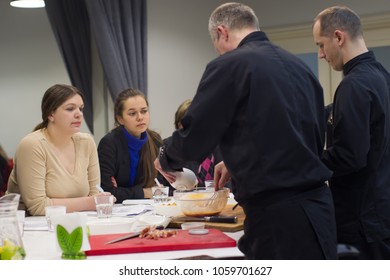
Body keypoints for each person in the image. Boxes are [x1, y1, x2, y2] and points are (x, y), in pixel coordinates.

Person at [155, 2, 337, 259]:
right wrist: (237, 160)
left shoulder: (230, 64)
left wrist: (165, 157)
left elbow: (194, 138)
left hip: (279, 218)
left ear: (222, 32)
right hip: (319, 209)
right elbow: (296, 134)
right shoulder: (299, 67)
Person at [313, 6, 390, 259]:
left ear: (338, 37)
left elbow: (349, 157)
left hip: (361, 222)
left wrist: (304, 161)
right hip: (381, 214)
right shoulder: (381, 77)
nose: (322, 55)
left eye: (322, 45)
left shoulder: (354, 85)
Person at [7, 84, 105, 216]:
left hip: (74, 220)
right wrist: (89, 202)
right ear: (50, 114)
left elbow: (95, 194)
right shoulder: (32, 145)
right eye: (70, 109)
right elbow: (38, 207)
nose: (79, 114)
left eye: (81, 109)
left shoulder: (86, 142)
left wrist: (94, 201)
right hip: (27, 226)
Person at [97, 88, 163, 203]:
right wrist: (144, 192)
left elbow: (163, 185)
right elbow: (107, 192)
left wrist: (123, 191)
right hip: (117, 212)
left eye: (144, 111)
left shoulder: (155, 140)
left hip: (149, 208)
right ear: (120, 119)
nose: (140, 117)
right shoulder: (109, 143)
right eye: (132, 113)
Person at [163, 99, 224, 189]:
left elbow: (228, 183)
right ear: (178, 126)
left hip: (215, 200)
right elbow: (161, 187)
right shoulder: (167, 146)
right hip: (180, 201)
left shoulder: (218, 144)